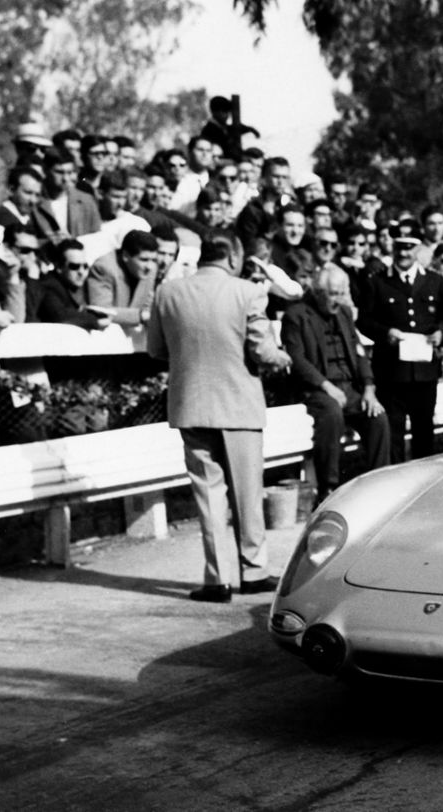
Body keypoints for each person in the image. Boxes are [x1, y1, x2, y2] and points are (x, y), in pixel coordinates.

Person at [146, 229, 291, 602]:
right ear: (232, 258)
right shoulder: (248, 292)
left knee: (208, 496)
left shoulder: (168, 292)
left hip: (191, 405)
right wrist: (283, 358)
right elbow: (262, 351)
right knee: (247, 492)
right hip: (239, 404)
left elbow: (157, 350)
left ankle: (217, 579)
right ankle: (254, 570)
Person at [280, 265, 389, 505]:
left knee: (378, 418)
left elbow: (359, 354)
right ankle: (328, 488)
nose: (338, 300)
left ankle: (377, 481)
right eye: (333, 294)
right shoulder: (296, 315)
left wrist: (369, 389)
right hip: (317, 388)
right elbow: (296, 360)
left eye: (342, 293)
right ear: (318, 292)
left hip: (349, 388)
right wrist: (326, 386)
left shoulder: (345, 313)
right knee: (331, 413)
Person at [357, 226, 443, 463]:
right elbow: (364, 320)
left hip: (424, 372)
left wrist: (441, 333)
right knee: (394, 435)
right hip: (391, 372)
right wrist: (385, 332)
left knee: (423, 433)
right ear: (392, 247)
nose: (403, 253)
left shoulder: (434, 281)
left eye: (409, 247)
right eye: (399, 247)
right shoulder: (377, 282)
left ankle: (422, 484)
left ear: (418, 249)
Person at [85, 229, 160, 327]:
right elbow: (101, 311)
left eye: (153, 260)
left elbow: (148, 305)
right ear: (125, 256)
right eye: (144, 259)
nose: (149, 266)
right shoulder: (104, 267)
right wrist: (141, 316)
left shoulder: (151, 269)